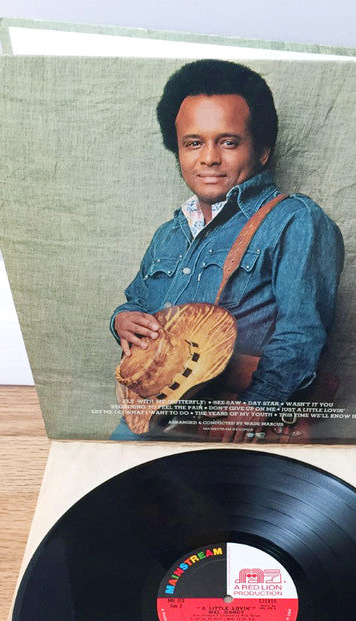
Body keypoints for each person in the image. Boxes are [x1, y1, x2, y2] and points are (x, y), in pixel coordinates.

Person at [110, 59, 343, 442]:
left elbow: (302, 331)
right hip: (151, 415)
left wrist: (256, 406)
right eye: (193, 143)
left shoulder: (295, 219)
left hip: (235, 421)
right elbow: (136, 302)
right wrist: (121, 320)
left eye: (228, 142)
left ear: (262, 150)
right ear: (178, 151)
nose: (209, 158)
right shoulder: (169, 233)